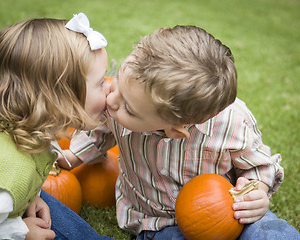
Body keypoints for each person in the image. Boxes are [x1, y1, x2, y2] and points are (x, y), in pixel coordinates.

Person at [59, 25, 300, 239]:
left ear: (175, 131)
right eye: (117, 82)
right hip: (157, 220)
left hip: (228, 212)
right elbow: (99, 131)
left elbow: (260, 166)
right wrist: (72, 157)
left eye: (128, 109)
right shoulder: (122, 103)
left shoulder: (233, 123)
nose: (111, 100)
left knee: (270, 233)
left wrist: (257, 191)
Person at [0, 13, 114, 240]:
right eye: (101, 82)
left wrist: (29, 196)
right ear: (60, 99)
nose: (109, 89)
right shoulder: (7, 172)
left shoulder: (24, 132)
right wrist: (19, 231)